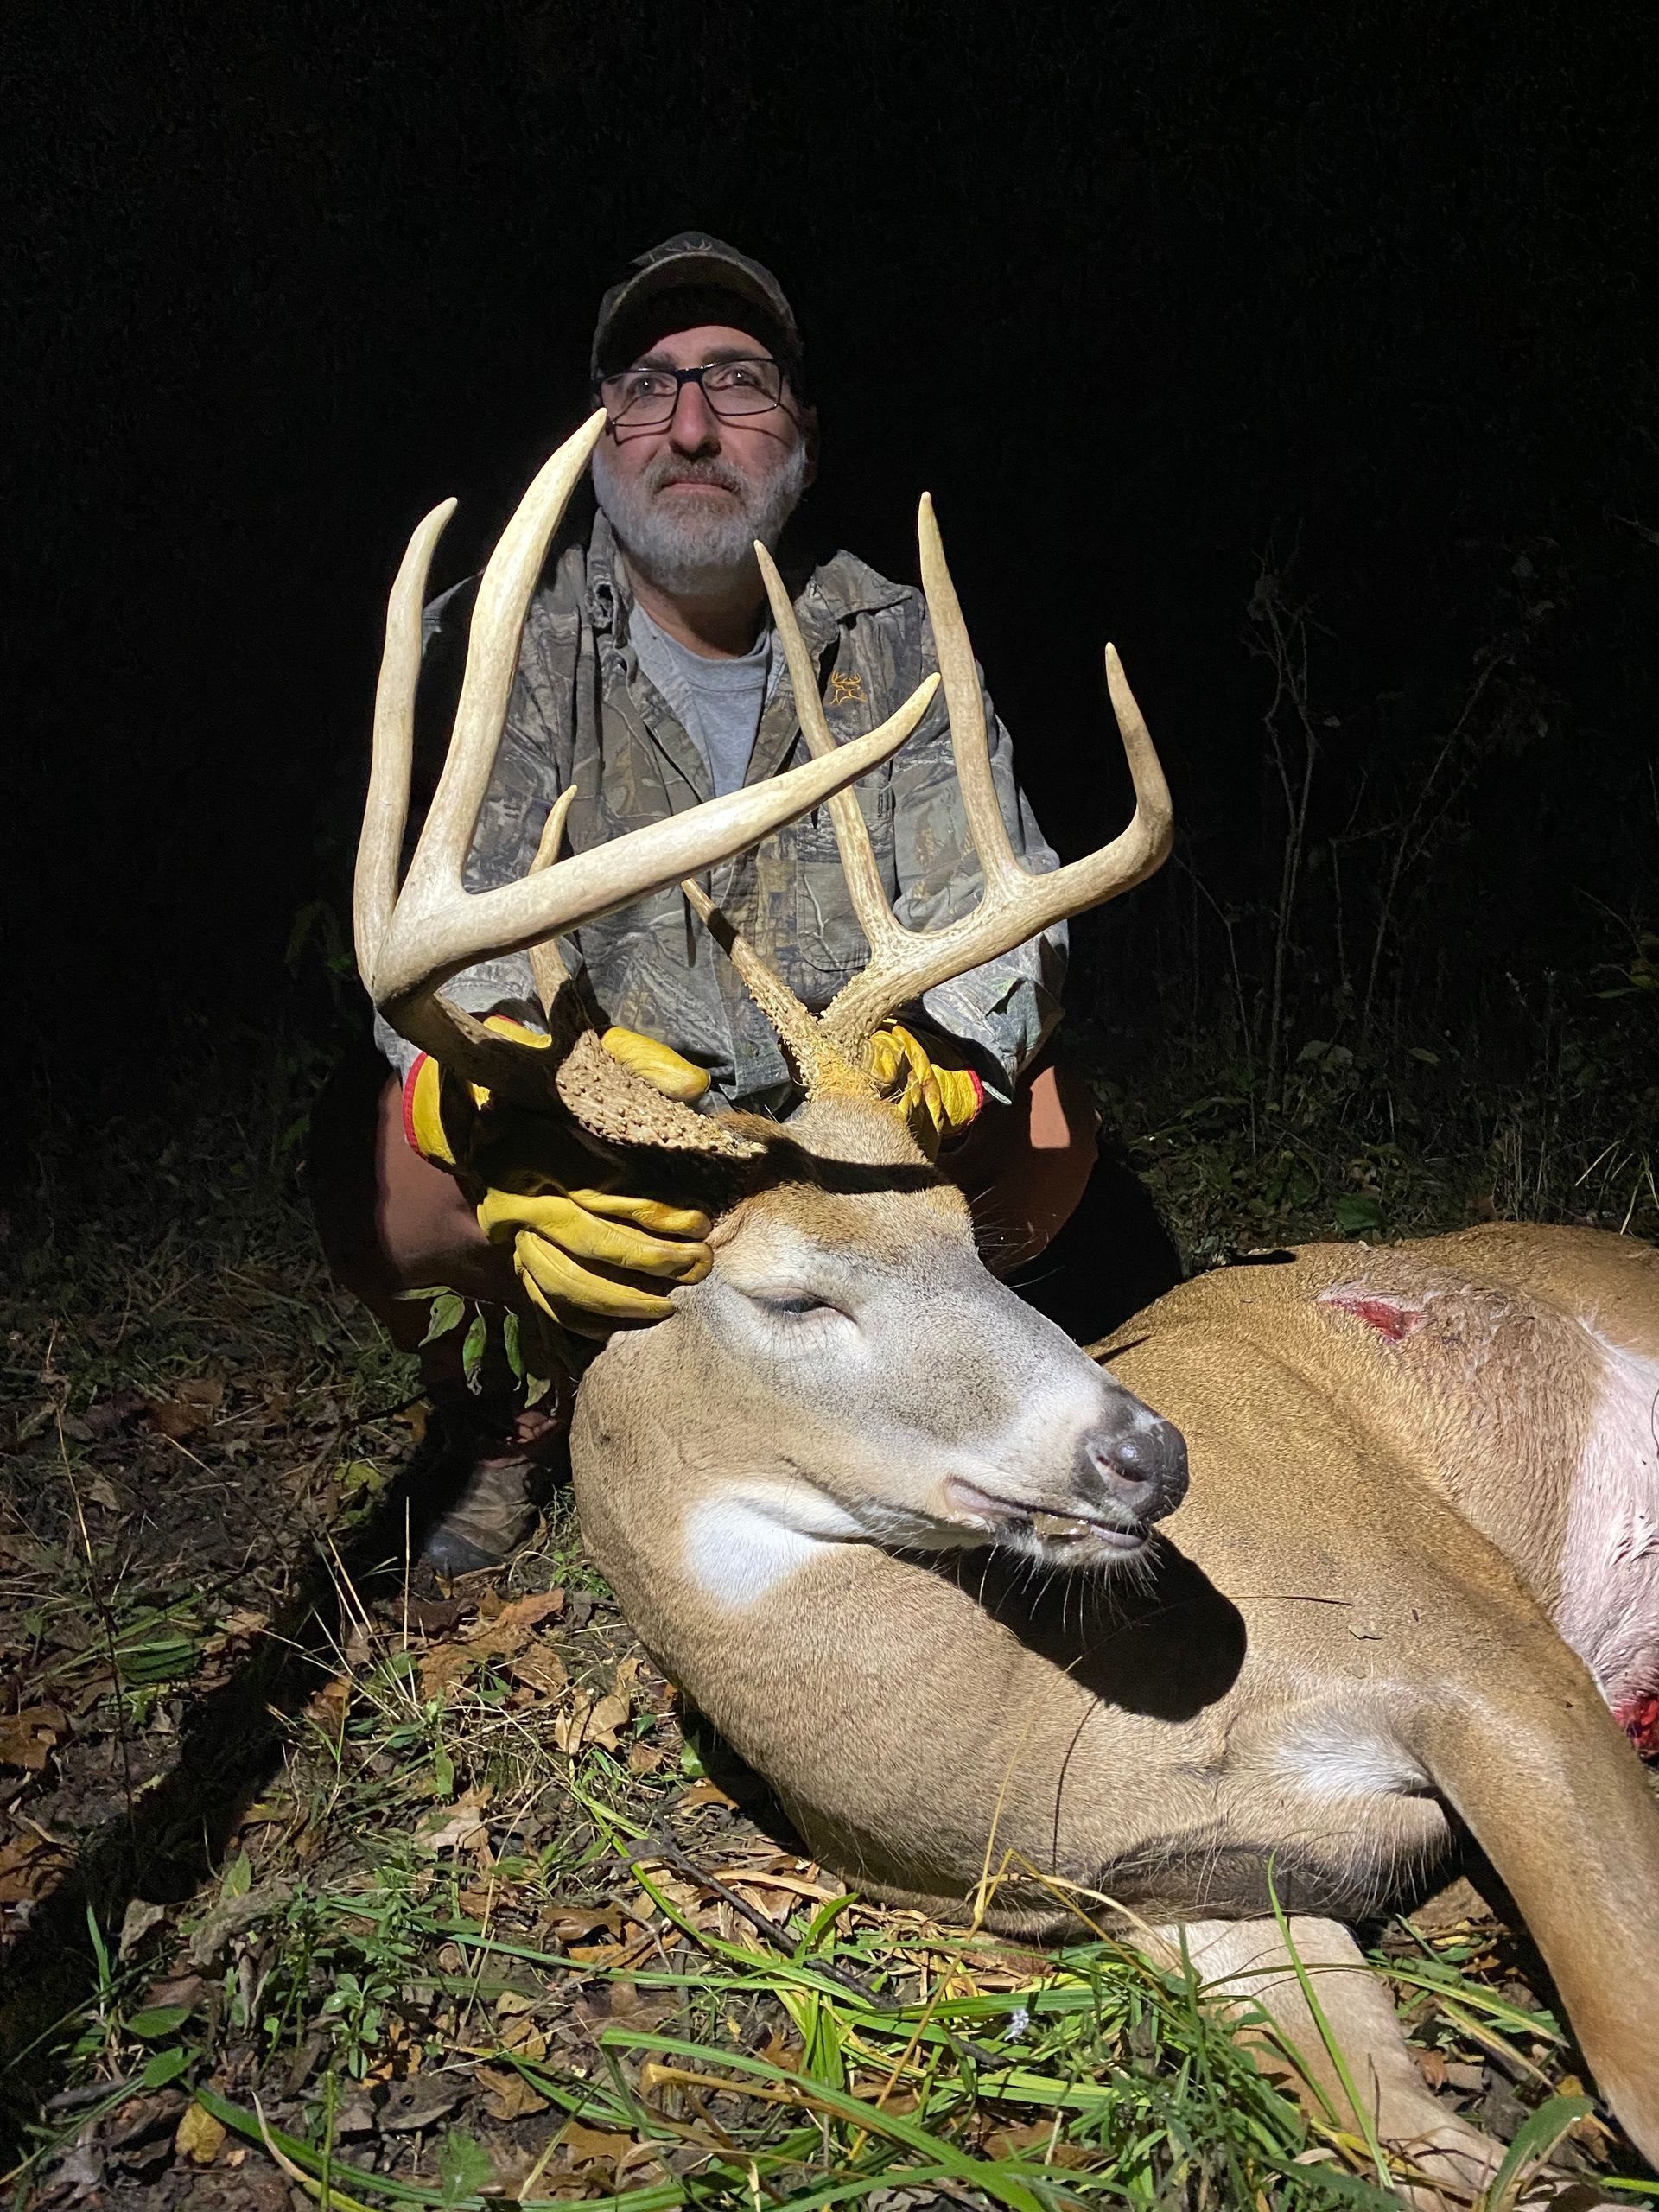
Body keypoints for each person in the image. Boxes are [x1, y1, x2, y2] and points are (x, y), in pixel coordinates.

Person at [308, 232, 1178, 1572]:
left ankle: (887, 1394)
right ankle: (500, 1426)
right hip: (613, 1145)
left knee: (1052, 1126)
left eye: (739, 381)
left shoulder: (893, 637)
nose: (695, 423)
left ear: (804, 440)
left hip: (848, 1134)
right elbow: (439, 946)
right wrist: (498, 1127)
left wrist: (940, 1064)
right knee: (377, 1162)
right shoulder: (508, 646)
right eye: (650, 385)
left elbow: (1007, 919)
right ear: (602, 434)